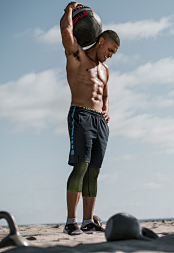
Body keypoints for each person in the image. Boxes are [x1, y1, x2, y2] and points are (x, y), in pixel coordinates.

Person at [60, 2, 120, 235]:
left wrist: (106, 109)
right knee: (81, 166)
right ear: (101, 41)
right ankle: (70, 222)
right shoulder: (77, 55)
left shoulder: (105, 70)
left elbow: (105, 93)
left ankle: (88, 221)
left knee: (94, 171)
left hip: (99, 122)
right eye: (111, 50)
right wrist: (69, 10)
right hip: (81, 115)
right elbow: (66, 32)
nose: (111, 55)